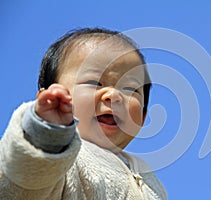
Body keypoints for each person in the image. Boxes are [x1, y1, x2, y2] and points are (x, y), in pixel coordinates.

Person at [0, 27, 167, 199]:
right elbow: (23, 183)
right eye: (94, 82)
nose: (113, 95)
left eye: (130, 88)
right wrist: (46, 134)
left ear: (143, 117)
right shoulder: (62, 160)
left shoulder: (150, 180)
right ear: (49, 98)